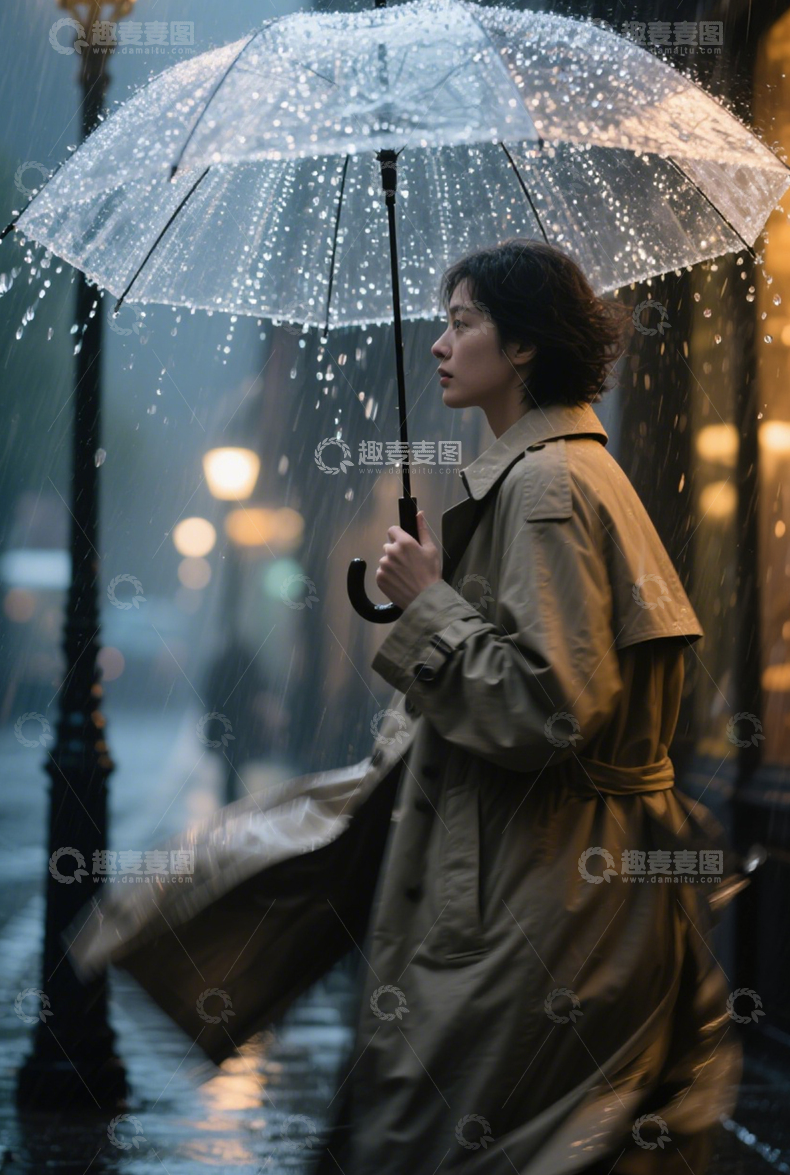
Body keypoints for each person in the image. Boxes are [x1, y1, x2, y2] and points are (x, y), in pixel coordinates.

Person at [312, 239, 741, 1175]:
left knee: (479, 1132)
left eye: (463, 323)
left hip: (541, 887)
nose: (439, 343)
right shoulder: (566, 470)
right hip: (567, 876)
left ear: (524, 349)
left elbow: (550, 705)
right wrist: (434, 589)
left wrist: (430, 600)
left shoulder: (545, 485)